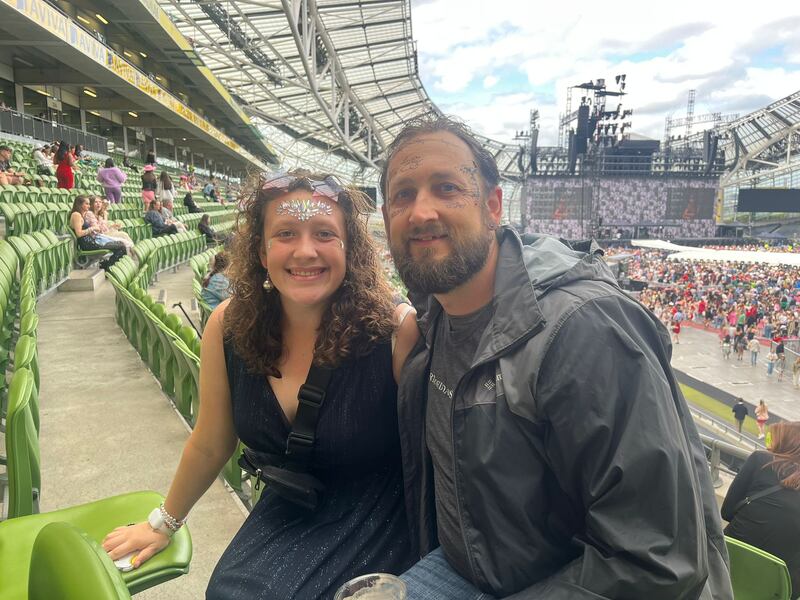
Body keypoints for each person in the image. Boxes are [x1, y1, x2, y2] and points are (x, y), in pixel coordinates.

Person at [380, 115, 732, 599]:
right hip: (463, 569)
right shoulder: (435, 312)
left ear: (493, 205)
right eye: (403, 195)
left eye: (446, 187)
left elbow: (658, 561)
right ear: (385, 220)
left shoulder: (584, 330)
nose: (421, 212)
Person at [102, 170, 418, 599]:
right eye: (286, 233)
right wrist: (164, 522)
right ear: (261, 252)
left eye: (324, 233)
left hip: (380, 517)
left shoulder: (396, 332)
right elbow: (211, 442)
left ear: (350, 248)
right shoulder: (228, 326)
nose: (305, 251)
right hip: (292, 506)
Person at [721, 422, 800, 594]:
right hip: (777, 588)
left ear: (787, 442)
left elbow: (726, 512)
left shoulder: (760, 459)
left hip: (725, 565)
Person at [69, 195, 126, 270]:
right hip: (88, 244)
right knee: (121, 247)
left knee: (121, 244)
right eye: (86, 204)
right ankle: (108, 268)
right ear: (80, 204)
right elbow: (79, 234)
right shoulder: (76, 215)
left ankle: (106, 265)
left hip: (91, 241)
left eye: (89, 204)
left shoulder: (81, 215)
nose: (89, 206)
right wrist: (92, 228)